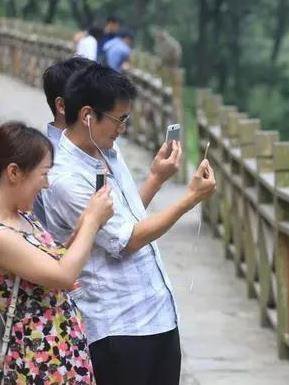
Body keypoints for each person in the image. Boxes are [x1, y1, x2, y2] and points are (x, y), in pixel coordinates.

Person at [42, 64, 216, 385]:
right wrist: (189, 199)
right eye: (119, 119)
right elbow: (126, 240)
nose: (123, 128)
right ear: (88, 116)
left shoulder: (106, 149)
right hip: (117, 326)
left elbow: (126, 216)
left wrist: (155, 178)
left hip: (157, 313)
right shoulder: (65, 179)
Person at [0, 121, 114, 384]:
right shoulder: (3, 235)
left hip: (60, 355)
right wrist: (93, 221)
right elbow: (63, 275)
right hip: (33, 364)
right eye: (43, 174)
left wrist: (88, 220)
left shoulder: (24, 217)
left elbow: (57, 259)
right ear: (14, 172)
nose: (48, 184)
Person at [33, 57, 94, 226]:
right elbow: (117, 238)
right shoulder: (53, 163)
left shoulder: (100, 145)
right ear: (62, 106)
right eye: (95, 100)